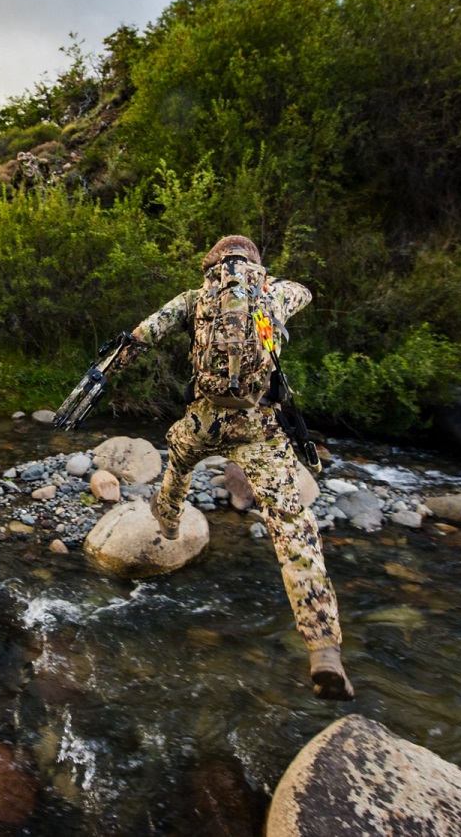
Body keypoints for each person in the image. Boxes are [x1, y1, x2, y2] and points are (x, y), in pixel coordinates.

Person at [119, 234, 353, 701]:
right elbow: (305, 292)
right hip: (258, 428)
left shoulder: (193, 299)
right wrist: (274, 290)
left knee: (178, 458)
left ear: (210, 266)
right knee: (293, 526)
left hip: (204, 420)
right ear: (254, 265)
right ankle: (323, 651)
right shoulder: (274, 293)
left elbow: (144, 333)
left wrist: (110, 364)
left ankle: (167, 520)